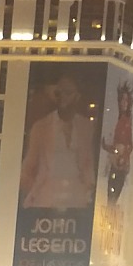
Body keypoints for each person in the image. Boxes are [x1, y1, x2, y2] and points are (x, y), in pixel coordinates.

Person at [19, 76, 97, 211]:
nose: (62, 97)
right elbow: (27, 169)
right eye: (58, 92)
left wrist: (88, 191)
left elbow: (88, 165)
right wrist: (37, 191)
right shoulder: (41, 127)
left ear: (77, 96)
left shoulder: (86, 127)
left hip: (78, 199)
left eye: (68, 92)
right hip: (45, 199)